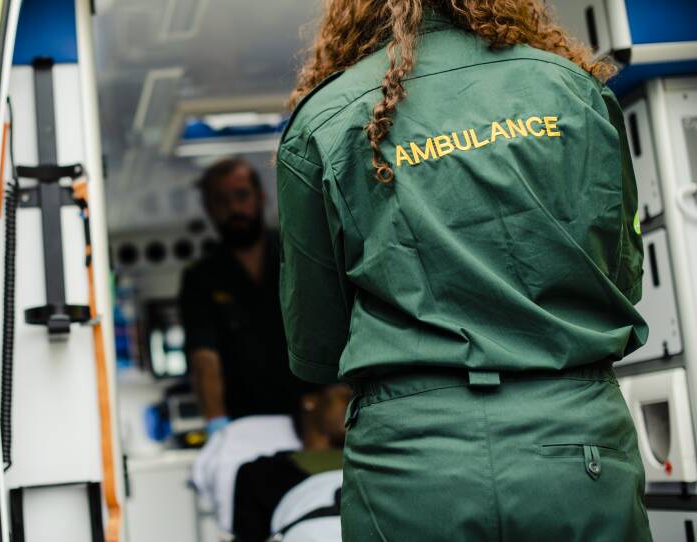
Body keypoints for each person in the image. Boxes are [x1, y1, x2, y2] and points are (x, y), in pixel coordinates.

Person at [276, 1, 650, 540]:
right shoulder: (572, 89)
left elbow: (316, 343)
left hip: (411, 469)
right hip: (576, 450)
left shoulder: (324, 120)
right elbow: (622, 276)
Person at [180, 158, 312, 435]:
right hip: (247, 426)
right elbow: (205, 357)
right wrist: (218, 426)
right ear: (209, 210)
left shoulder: (299, 253)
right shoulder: (201, 279)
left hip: (313, 416)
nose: (234, 209)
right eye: (221, 201)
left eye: (242, 196)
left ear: (261, 198)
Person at [232, 384, 350, 542]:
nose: (356, 407)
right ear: (311, 400)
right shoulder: (262, 473)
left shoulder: (379, 462)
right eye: (346, 398)